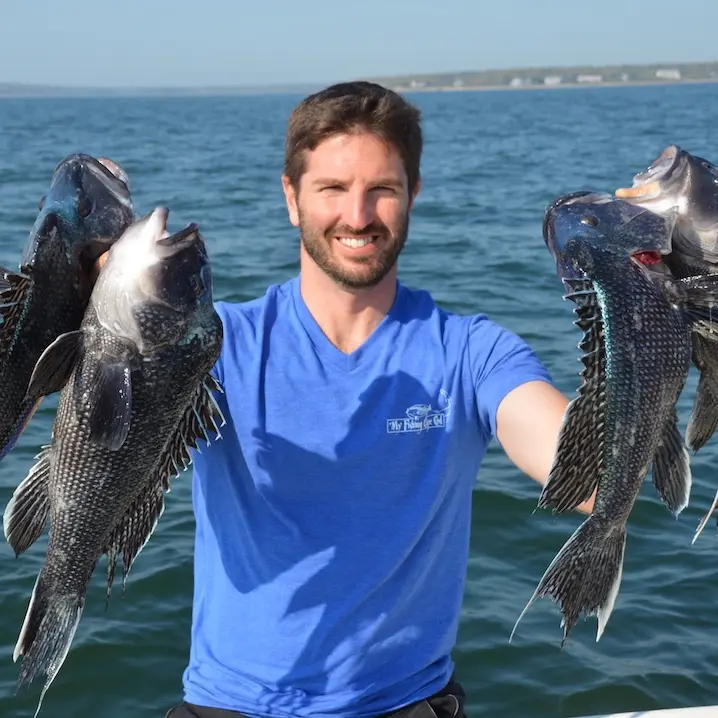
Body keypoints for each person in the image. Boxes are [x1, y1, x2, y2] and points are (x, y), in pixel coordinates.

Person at [164, 80, 592, 718]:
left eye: (382, 189)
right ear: (292, 197)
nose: (358, 216)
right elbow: (72, 404)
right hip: (229, 705)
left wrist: (654, 313)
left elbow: (589, 481)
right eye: (332, 188)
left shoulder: (470, 351)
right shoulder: (216, 345)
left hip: (406, 704)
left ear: (413, 193)